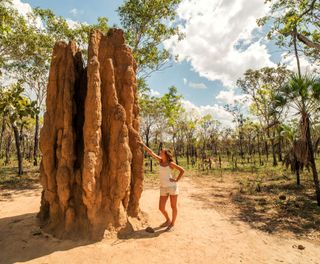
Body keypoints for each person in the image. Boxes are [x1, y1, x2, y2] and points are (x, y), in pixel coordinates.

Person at [139, 142, 185, 232]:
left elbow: (182, 170)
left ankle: (172, 224)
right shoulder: (160, 161)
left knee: (173, 206)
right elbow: (151, 153)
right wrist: (142, 144)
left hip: (172, 187)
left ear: (166, 154)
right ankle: (168, 220)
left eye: (162, 152)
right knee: (161, 207)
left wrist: (176, 180)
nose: (160, 153)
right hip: (163, 187)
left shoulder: (170, 163)